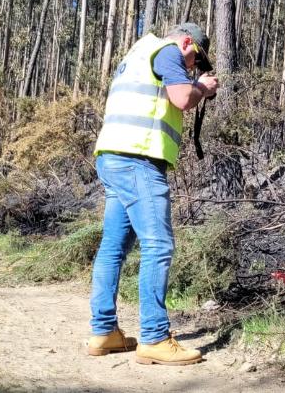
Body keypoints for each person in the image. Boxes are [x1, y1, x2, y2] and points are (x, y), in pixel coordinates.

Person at [85, 23, 219, 366]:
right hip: (138, 161)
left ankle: (104, 333)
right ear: (187, 42)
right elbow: (181, 98)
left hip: (113, 157)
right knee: (159, 245)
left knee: (114, 248)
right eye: (195, 60)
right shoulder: (169, 51)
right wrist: (200, 88)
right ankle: (155, 337)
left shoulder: (137, 53)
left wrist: (193, 83)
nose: (193, 68)